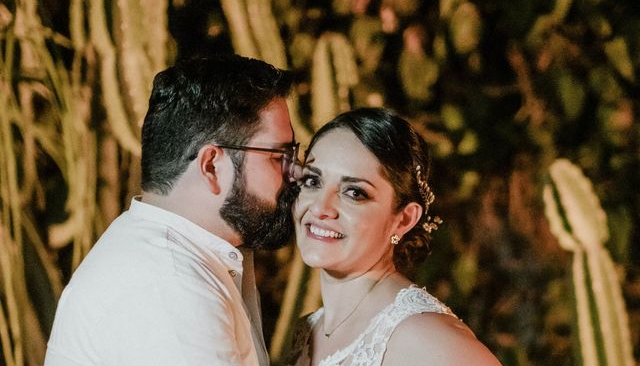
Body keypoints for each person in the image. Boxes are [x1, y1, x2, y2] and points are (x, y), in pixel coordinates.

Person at [45, 54, 300, 366]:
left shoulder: (168, 257)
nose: (294, 172)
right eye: (278, 156)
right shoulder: (170, 284)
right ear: (211, 166)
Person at [288, 108, 501, 366]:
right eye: (312, 181)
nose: (321, 207)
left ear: (404, 219)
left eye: (354, 193)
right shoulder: (302, 335)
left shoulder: (425, 339)